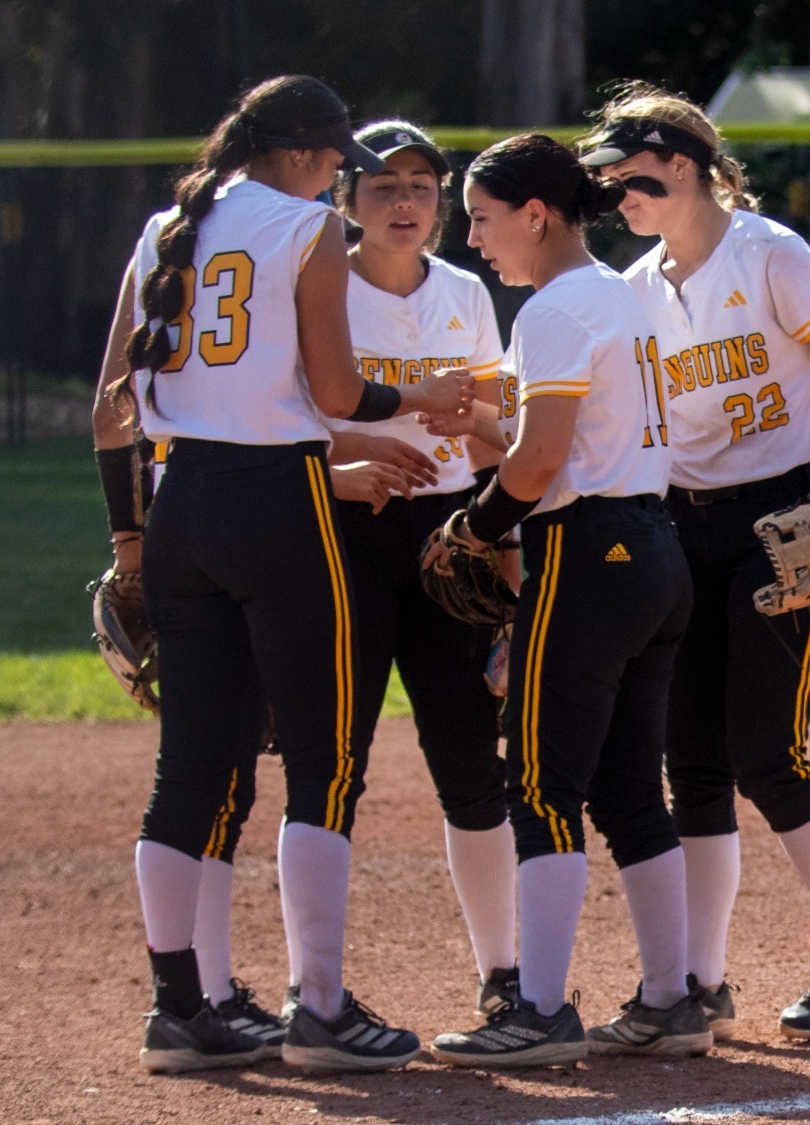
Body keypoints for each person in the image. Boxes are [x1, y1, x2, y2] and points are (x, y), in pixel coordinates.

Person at [98, 74, 473, 1075]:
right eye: (335, 166)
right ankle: (321, 1009)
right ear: (307, 158)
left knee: (191, 769)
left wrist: (128, 545)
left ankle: (182, 1009)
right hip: (281, 508)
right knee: (323, 766)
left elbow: (110, 412)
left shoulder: (165, 229)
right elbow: (339, 388)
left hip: (179, 508)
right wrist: (420, 394)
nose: (334, 185)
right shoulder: (302, 229)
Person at [579, 82, 810, 1041]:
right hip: (682, 526)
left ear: (682, 164)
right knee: (694, 761)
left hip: (786, 516)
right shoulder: (634, 290)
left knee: (767, 748)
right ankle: (697, 982)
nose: (616, 196)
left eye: (629, 175)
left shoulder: (772, 257)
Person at [421, 134, 706, 1069]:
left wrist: (472, 522)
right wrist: (486, 427)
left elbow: (540, 467)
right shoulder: (618, 296)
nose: (471, 238)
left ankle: (538, 1008)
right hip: (654, 550)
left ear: (536, 214)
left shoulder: (553, 307)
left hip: (586, 557)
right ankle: (672, 998)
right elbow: (570, 442)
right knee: (631, 790)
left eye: (483, 215)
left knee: (541, 786)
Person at [322, 120, 522, 1017]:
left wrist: (501, 541)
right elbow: (276, 416)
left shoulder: (466, 293)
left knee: (472, 764)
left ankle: (504, 972)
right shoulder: (321, 291)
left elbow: (492, 434)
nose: (403, 202)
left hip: (447, 542)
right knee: (335, 763)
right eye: (381, 187)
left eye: (420, 186)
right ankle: (317, 989)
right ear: (349, 203)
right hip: (347, 532)